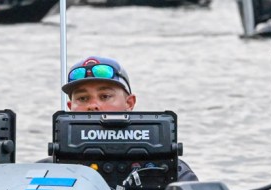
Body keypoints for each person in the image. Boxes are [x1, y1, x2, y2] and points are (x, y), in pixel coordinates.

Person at [61, 56, 197, 182]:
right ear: (70, 107)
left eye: (105, 96)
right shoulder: (53, 168)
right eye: (83, 98)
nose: (93, 106)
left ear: (129, 103)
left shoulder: (173, 172)